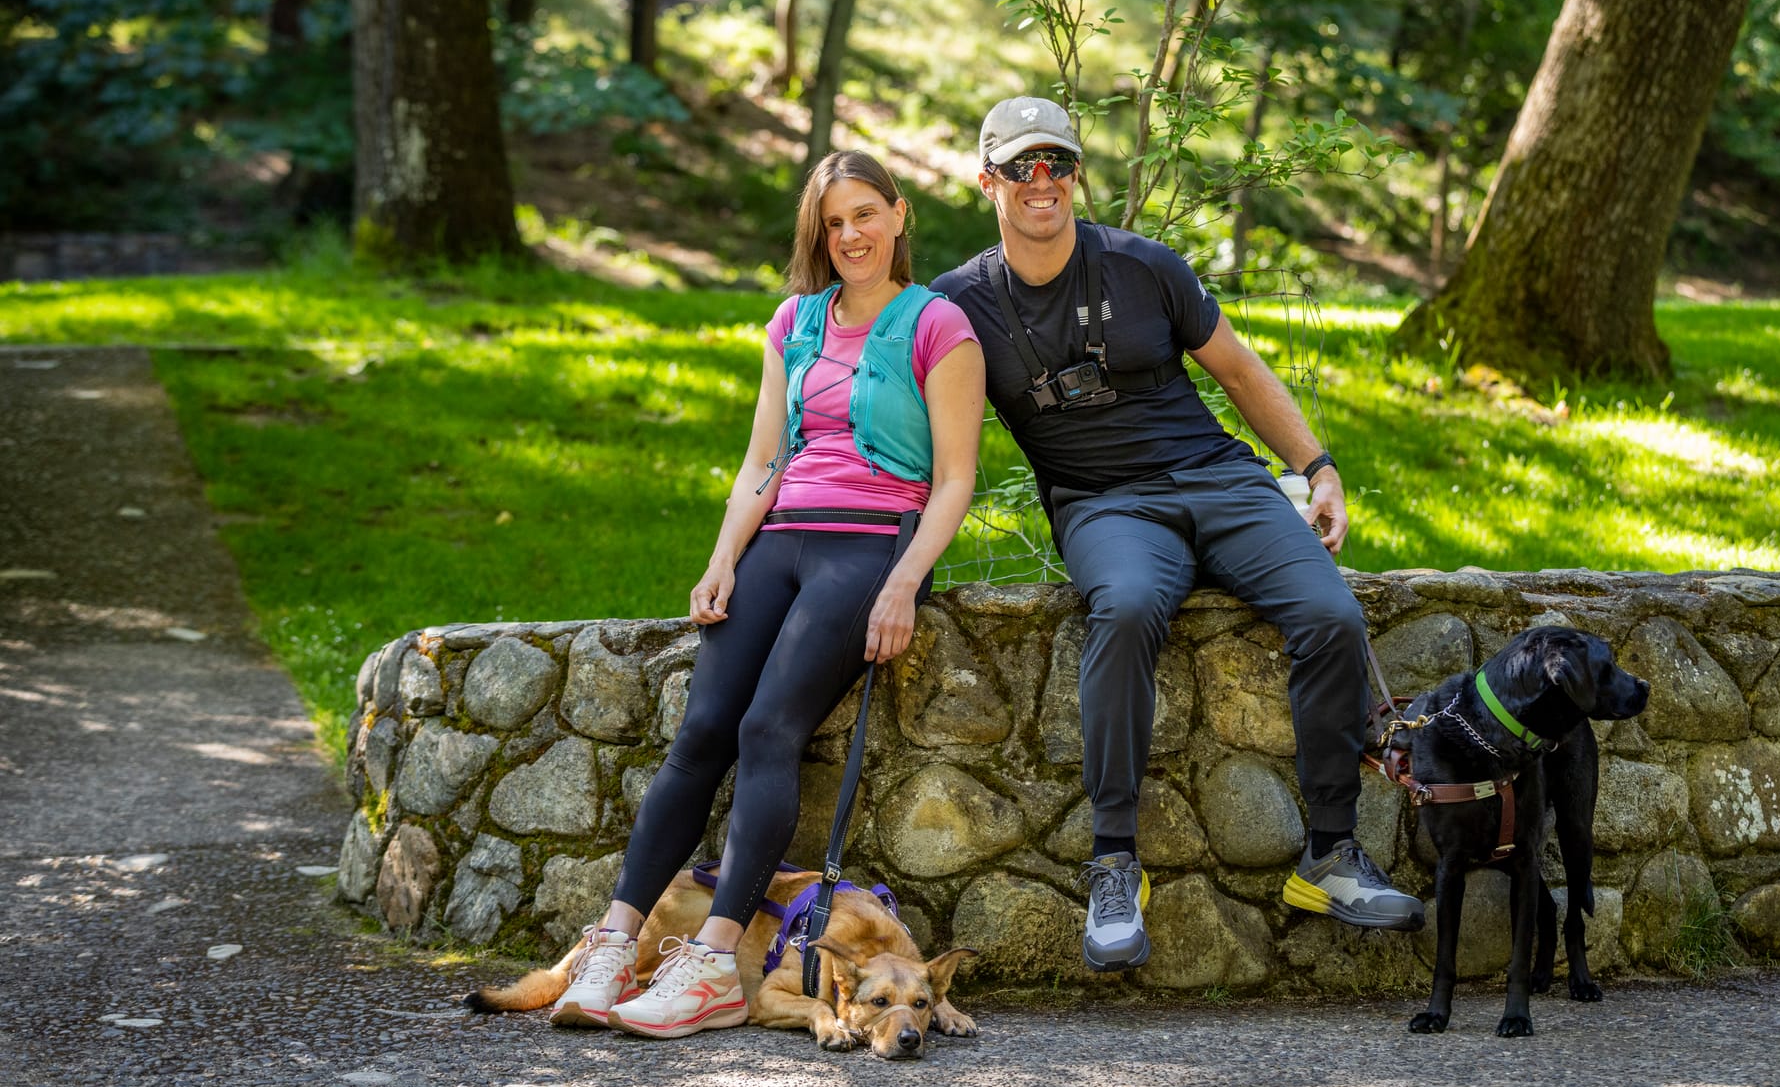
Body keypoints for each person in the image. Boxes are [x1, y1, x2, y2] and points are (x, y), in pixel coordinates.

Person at [932, 97, 1422, 973]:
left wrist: (1319, 468)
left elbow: (1238, 371)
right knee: (1121, 612)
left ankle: (1331, 856)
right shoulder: (958, 306)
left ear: (1077, 173)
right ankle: (1115, 863)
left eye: (1057, 163)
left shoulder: (1145, 266)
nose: (1041, 182)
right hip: (1102, 503)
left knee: (1331, 615)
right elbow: (919, 432)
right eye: (1020, 167)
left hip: (1221, 481)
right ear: (988, 183)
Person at [551, 150, 984, 1036]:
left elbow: (953, 480)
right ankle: (612, 942)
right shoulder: (794, 321)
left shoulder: (941, 326)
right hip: (781, 539)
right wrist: (723, 559)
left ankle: (711, 961)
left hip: (872, 543)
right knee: (703, 731)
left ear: (899, 217)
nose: (851, 235)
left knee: (767, 728)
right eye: (833, 222)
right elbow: (763, 459)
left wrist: (905, 583)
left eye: (866, 214)